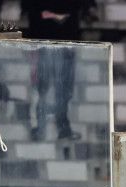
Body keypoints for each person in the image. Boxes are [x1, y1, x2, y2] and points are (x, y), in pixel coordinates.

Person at [24, 0, 92, 140]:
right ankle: (40, 128)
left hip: (66, 37)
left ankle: (62, 127)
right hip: (43, 36)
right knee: (43, 87)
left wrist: (86, 9)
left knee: (64, 88)